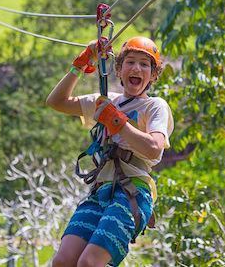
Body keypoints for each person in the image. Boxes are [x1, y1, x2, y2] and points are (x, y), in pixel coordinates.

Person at [47, 36, 174, 267]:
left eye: (144, 65)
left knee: (89, 263)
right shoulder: (106, 101)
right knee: (63, 261)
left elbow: (154, 149)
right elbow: (56, 101)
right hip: (100, 191)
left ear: (153, 75)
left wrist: (116, 121)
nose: (136, 68)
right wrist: (80, 65)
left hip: (133, 192)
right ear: (118, 68)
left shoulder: (154, 106)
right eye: (130, 62)